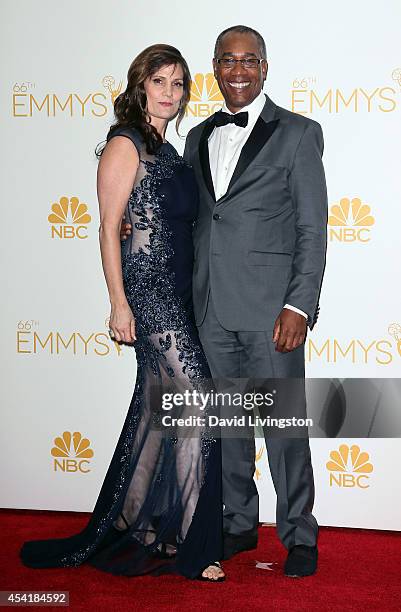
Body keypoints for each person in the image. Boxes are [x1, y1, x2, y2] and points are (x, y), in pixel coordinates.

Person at [121, 25, 328, 578]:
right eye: (227, 62)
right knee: (228, 426)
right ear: (216, 68)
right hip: (209, 308)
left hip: (271, 313)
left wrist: (299, 305)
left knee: (283, 428)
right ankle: (238, 522)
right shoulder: (197, 136)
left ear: (264, 67)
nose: (238, 71)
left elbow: (313, 229)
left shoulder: (299, 133)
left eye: (249, 61)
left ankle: (299, 535)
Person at [19, 44, 225, 582]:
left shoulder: (170, 149)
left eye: (179, 84)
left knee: (159, 412)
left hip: (176, 290)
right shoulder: (125, 142)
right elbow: (110, 228)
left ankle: (139, 524)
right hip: (148, 294)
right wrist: (118, 302)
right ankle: (193, 546)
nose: (170, 93)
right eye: (160, 81)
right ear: (141, 85)